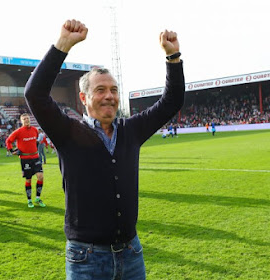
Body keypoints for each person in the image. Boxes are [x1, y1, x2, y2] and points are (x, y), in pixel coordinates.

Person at [25, 19, 184, 279]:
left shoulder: (131, 130)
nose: (109, 96)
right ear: (84, 98)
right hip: (86, 258)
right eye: (100, 90)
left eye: (113, 90)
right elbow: (35, 94)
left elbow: (172, 101)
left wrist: (173, 56)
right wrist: (63, 44)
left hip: (132, 254)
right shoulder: (68, 132)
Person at [6, 113, 46, 208]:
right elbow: (8, 141)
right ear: (21, 121)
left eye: (27, 118)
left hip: (36, 157)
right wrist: (12, 150)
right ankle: (29, 200)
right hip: (25, 159)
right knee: (28, 179)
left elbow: (35, 141)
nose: (26, 120)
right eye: (24, 119)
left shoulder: (35, 130)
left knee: (40, 177)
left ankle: (38, 198)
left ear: (30, 119)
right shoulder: (18, 131)